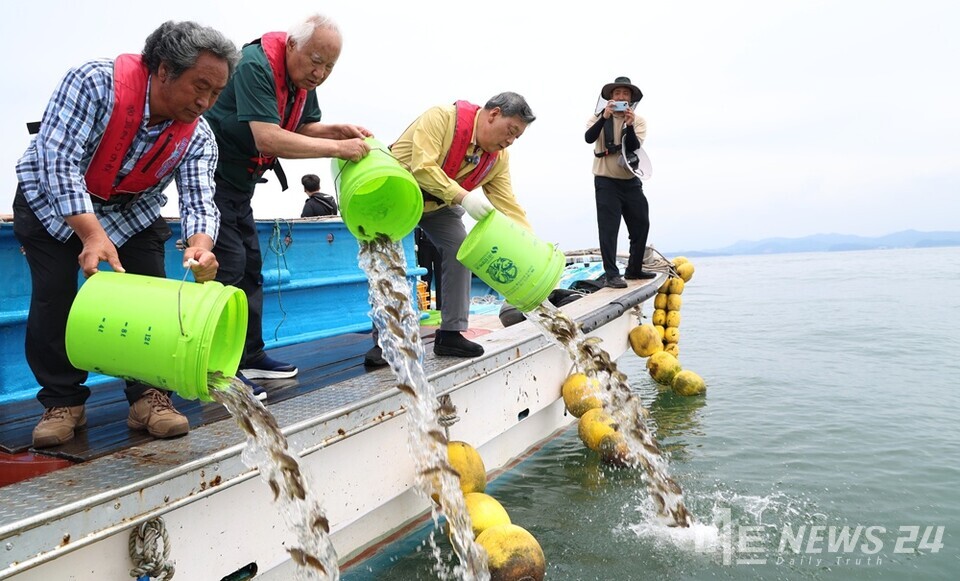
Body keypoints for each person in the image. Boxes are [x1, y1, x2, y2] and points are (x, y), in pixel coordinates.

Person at [13, 21, 239, 448]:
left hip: (132, 211)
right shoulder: (94, 83)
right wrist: (90, 233)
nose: (205, 102)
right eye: (200, 86)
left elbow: (199, 199)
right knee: (54, 294)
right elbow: (57, 162)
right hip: (52, 203)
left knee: (151, 294)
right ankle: (63, 401)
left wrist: (201, 247)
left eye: (216, 93)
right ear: (165, 70)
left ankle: (148, 397)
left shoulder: (199, 135)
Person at [204, 13, 372, 387]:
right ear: (292, 46)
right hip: (211, 178)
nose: (321, 72)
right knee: (228, 268)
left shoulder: (301, 79)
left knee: (250, 268)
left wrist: (337, 128)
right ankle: (217, 368)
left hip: (241, 186)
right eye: (316, 61)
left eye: (330, 66)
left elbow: (299, 126)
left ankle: (248, 356)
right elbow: (268, 138)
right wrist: (338, 147)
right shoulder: (254, 66)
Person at [364, 92, 536, 367]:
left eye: (517, 137)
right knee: (388, 259)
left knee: (460, 248)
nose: (510, 140)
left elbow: (508, 205)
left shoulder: (498, 158)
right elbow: (422, 167)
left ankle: (450, 335)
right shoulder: (441, 118)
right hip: (397, 195)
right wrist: (464, 197)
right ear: (493, 114)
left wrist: (533, 245)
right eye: (511, 131)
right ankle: (385, 342)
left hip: (438, 206)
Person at [584, 76, 657, 288]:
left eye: (625, 94)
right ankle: (611, 275)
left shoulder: (639, 120)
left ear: (631, 99)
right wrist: (604, 118)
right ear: (610, 97)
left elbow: (634, 147)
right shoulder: (597, 117)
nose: (621, 97)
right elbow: (589, 138)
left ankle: (634, 269)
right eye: (617, 94)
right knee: (608, 228)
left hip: (631, 181)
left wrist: (630, 125)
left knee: (641, 223)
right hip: (605, 181)